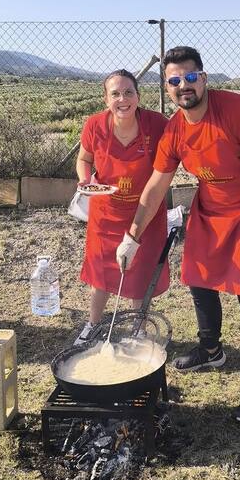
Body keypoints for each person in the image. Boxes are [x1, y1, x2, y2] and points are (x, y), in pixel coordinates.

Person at [116, 47, 240, 424]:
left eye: (190, 77)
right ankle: (210, 348)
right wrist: (133, 236)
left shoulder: (239, 110)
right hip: (209, 209)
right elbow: (156, 185)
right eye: (174, 80)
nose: (183, 86)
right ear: (167, 86)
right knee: (197, 278)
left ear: (204, 78)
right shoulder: (175, 130)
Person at [75, 69, 170, 344]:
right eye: (115, 93)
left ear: (138, 96)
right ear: (106, 99)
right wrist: (85, 181)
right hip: (106, 212)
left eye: (129, 92)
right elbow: (84, 159)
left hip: (146, 212)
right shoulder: (94, 125)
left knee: (140, 272)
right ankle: (92, 325)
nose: (122, 98)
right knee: (102, 272)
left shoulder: (156, 124)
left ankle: (137, 329)